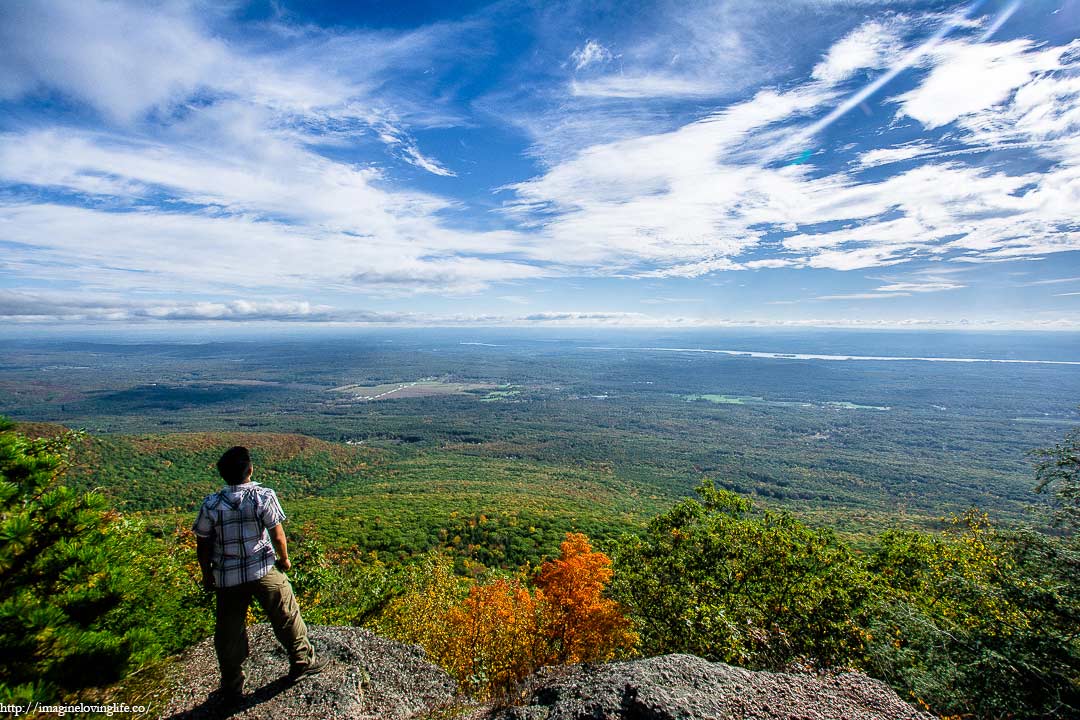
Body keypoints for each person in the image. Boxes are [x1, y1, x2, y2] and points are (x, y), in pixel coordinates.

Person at [193, 446, 328, 699]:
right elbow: (277, 534)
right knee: (286, 614)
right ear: (250, 470)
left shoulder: (210, 504)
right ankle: (302, 661)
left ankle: (231, 685)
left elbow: (203, 543)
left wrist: (207, 574)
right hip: (263, 568)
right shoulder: (262, 496)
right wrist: (284, 560)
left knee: (229, 631)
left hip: (227, 576)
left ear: (223, 475)